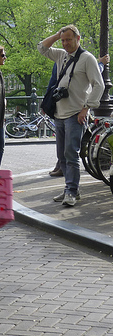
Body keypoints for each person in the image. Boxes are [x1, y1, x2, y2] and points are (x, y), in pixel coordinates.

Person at [38, 25, 104, 206]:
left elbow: (99, 85)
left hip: (75, 114)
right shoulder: (61, 55)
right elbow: (41, 47)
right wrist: (56, 35)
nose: (65, 43)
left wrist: (86, 108)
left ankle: (72, 191)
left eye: (68, 39)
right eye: (63, 40)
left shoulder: (87, 58)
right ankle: (70, 188)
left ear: (78, 38)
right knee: (62, 156)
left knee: (71, 154)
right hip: (59, 114)